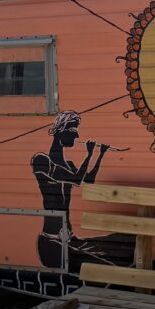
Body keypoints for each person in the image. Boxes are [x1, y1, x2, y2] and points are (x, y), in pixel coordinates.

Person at [33, 111, 111, 271]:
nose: (77, 136)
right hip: (52, 242)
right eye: (73, 131)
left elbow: (88, 180)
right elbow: (75, 179)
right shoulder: (42, 160)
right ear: (60, 131)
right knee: (105, 267)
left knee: (118, 243)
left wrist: (100, 154)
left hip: (68, 238)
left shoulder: (68, 165)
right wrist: (89, 154)